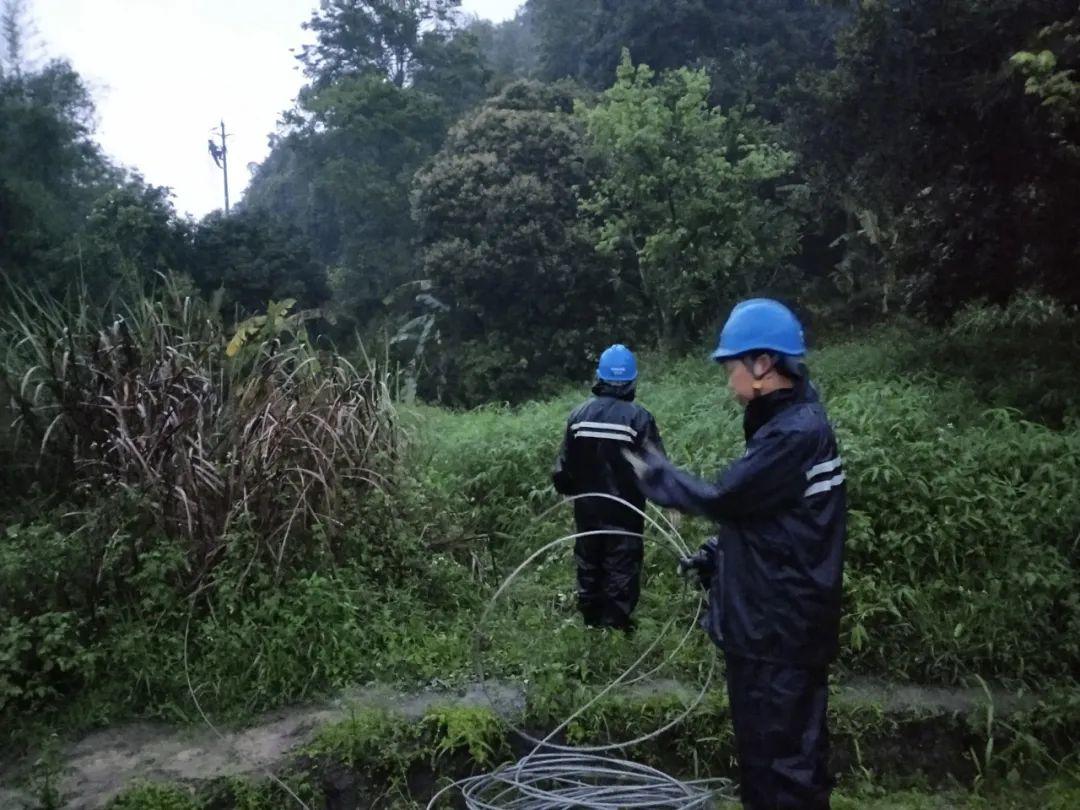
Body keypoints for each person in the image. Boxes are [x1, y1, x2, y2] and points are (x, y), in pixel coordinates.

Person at [626, 299, 846, 809]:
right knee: (764, 759)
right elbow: (772, 518)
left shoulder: (795, 433)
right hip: (770, 625)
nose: (729, 381)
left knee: (787, 768)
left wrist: (656, 473)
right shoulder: (785, 423)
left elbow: (725, 497)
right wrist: (718, 556)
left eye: (732, 367)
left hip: (780, 633)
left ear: (764, 365)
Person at [552, 344, 665, 631]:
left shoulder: (579, 416)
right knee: (622, 566)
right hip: (625, 512)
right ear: (632, 380)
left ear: (599, 377)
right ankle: (615, 629)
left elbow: (564, 467)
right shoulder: (639, 418)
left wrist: (566, 487)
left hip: (588, 508)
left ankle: (590, 624)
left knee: (589, 562)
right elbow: (656, 468)